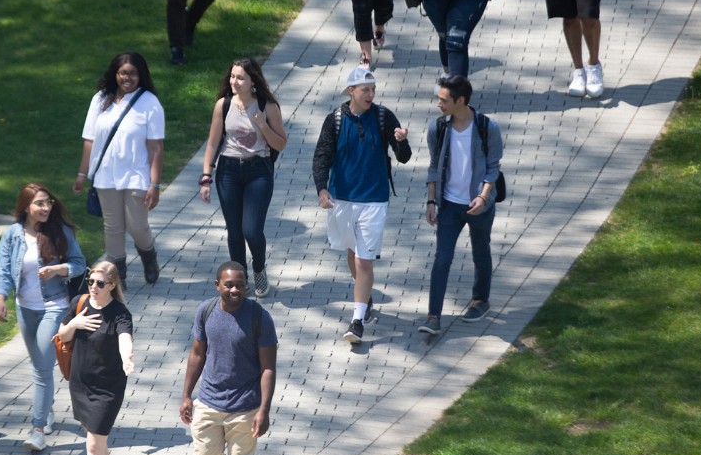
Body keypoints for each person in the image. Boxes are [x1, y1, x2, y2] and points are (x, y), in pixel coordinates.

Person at [179, 261, 277, 455]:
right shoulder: (206, 311)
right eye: (229, 285)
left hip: (245, 408)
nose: (235, 290)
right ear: (217, 285)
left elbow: (268, 367)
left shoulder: (259, 317)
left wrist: (263, 410)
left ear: (247, 286)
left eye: (240, 285)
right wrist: (186, 395)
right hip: (209, 402)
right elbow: (197, 353)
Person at [312, 66, 412, 345]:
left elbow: (403, 157)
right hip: (342, 199)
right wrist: (321, 188)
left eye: (373, 90)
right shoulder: (334, 119)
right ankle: (364, 298)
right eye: (365, 90)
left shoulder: (383, 116)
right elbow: (322, 155)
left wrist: (402, 142)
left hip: (374, 200)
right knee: (352, 252)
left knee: (363, 259)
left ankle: (357, 321)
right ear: (351, 91)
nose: (370, 94)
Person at [0, 183, 87, 452]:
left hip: (54, 306)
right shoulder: (13, 234)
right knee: (38, 365)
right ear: (26, 207)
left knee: (42, 370)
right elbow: (2, 268)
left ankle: (37, 430)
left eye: (48, 202)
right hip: (25, 308)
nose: (46, 208)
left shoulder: (60, 231)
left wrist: (58, 269)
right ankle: (47, 408)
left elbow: (79, 263)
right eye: (39, 203)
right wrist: (1, 296)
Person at [72, 51, 165, 287]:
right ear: (115, 74)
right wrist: (82, 174)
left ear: (141, 75)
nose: (127, 78)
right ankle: (118, 276)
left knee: (137, 226)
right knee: (112, 227)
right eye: (123, 73)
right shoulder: (100, 99)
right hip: (105, 175)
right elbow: (89, 140)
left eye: (133, 73)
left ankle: (149, 255)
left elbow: (155, 148)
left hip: (136, 175)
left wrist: (154, 184)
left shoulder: (149, 103)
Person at [421, 75, 504, 337]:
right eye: (439, 99)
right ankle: (433, 316)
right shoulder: (438, 128)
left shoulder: (487, 127)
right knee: (442, 258)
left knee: (481, 250)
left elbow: (492, 168)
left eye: (444, 100)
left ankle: (481, 300)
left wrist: (483, 197)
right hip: (449, 205)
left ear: (461, 101)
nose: (439, 104)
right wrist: (431, 200)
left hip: (478, 204)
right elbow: (434, 166)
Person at [198, 58, 288, 297]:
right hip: (228, 171)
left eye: (240, 77)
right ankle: (240, 279)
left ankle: (259, 269)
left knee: (251, 230)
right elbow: (213, 143)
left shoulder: (268, 106)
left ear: (253, 81)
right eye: (232, 76)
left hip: (258, 171)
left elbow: (281, 143)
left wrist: (263, 125)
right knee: (235, 231)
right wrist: (206, 176)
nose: (234, 82)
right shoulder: (223, 105)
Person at [59, 260, 135, 455]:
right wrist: (75, 323)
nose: (93, 286)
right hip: (80, 385)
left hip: (107, 389)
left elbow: (125, 338)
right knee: (97, 442)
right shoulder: (79, 303)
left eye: (100, 283)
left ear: (112, 285)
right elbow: (62, 335)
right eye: (91, 281)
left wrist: (127, 357)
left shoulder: (120, 313)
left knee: (93, 445)